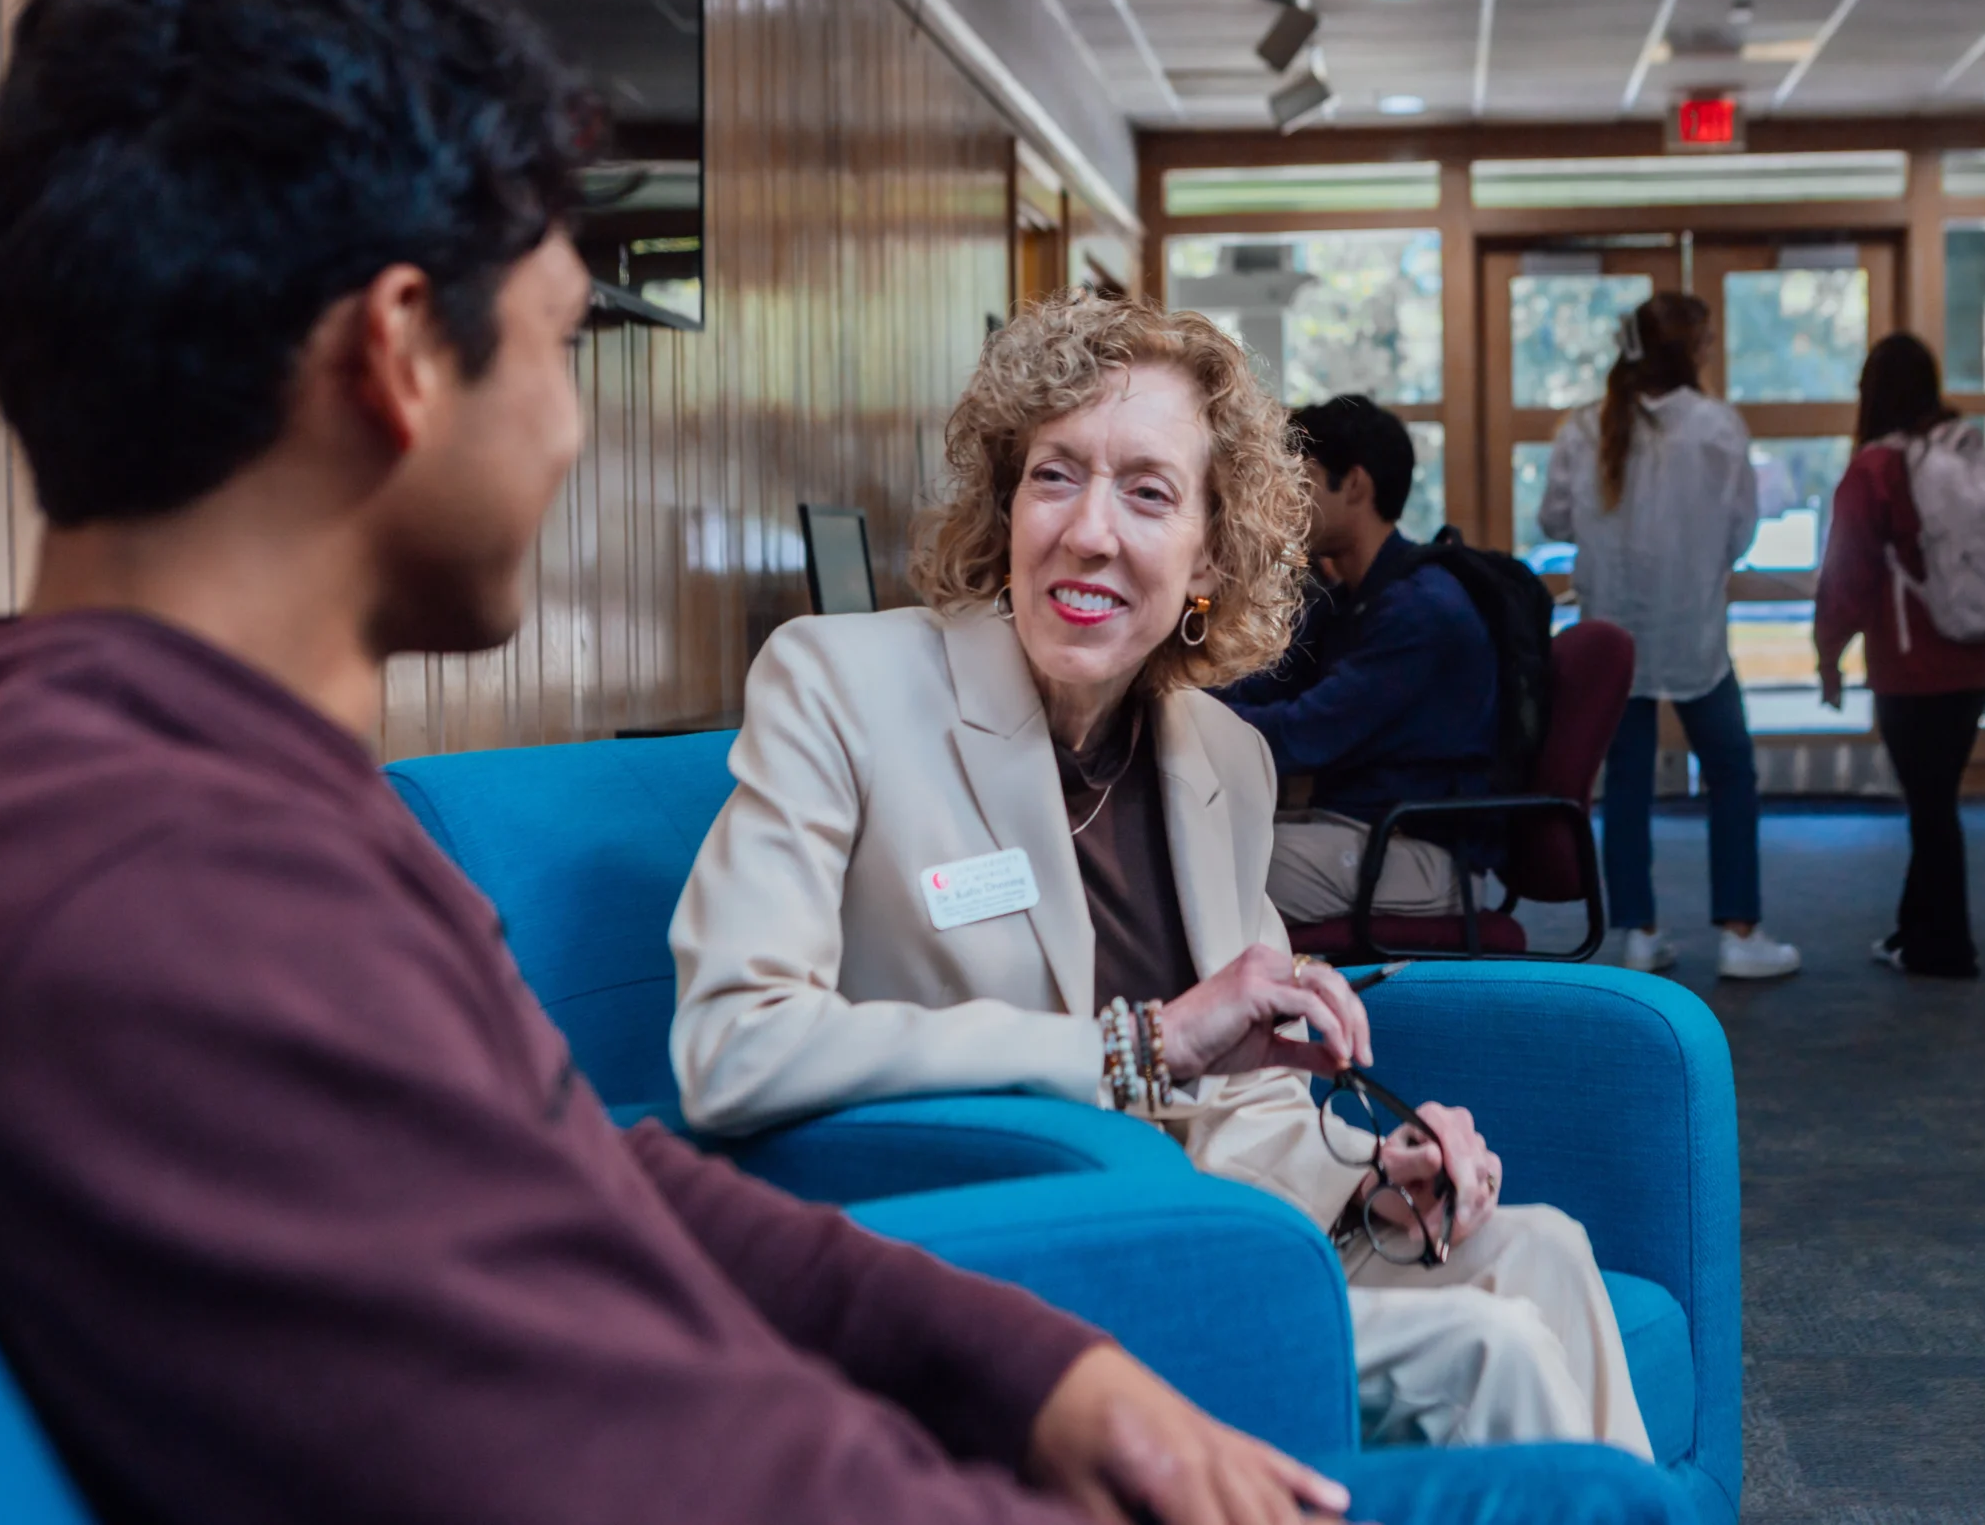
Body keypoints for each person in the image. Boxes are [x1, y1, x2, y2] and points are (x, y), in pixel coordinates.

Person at [0, 0, 1352, 1525]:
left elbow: (590, 1167)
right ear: (401, 357)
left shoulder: (197, 789)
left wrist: (1033, 1366)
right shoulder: (164, 903)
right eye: (562, 341)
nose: (567, 428)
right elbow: (602, 1460)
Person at [669, 297, 1651, 1460]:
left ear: (1206, 557)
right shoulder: (841, 684)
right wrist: (1134, 1047)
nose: (1090, 531)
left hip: (1182, 1242)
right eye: (1054, 476)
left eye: (1147, 492)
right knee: (1491, 1355)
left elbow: (1241, 1106)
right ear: (1003, 506)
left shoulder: (1220, 760)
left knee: (1542, 1250)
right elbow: (733, 1044)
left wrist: (1368, 1188)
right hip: (990, 1276)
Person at [1537, 293, 1800, 982]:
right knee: (1732, 771)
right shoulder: (1718, 427)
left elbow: (1555, 518)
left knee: (1626, 783)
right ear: (1691, 348)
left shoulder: (1585, 427)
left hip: (1613, 631)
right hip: (1694, 630)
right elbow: (1741, 530)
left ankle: (1639, 931)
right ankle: (1741, 931)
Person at [1219, 394, 1498, 924]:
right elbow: (1267, 686)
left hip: (1418, 852)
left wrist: (1185, 725)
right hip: (1353, 830)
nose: (1284, 498)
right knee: (1183, 842)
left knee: (1207, 865)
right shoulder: (1352, 596)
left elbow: (1305, 732)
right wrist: (1183, 701)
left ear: (1355, 486)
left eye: (1302, 480)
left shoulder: (1419, 609)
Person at [1812, 334, 1985, 981]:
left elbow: (1847, 575)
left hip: (1910, 664)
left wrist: (1828, 653)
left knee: (1930, 808)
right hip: (1978, 656)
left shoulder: (1874, 469)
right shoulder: (1967, 452)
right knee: (1935, 797)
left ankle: (1947, 948)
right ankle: (1914, 929)